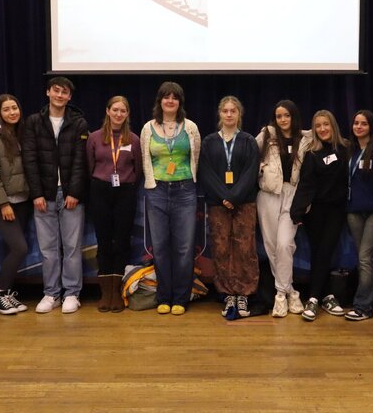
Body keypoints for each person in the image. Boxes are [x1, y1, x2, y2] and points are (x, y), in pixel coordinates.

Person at [22, 76, 89, 314]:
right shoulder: (33, 122)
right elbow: (29, 159)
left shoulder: (78, 123)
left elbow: (82, 162)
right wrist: (36, 193)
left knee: (71, 247)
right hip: (44, 197)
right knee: (48, 249)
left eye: (65, 92)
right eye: (56, 91)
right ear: (48, 93)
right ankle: (51, 293)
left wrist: (74, 192)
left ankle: (72, 293)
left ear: (69, 97)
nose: (60, 95)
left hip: (70, 196)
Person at [140, 81, 201, 316]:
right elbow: (145, 159)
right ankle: (164, 296)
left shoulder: (190, 127)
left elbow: (196, 156)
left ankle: (181, 298)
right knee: (161, 247)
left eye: (175, 97)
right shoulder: (148, 128)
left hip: (185, 191)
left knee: (184, 248)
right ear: (160, 101)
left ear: (180, 102)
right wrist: (152, 184)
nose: (170, 101)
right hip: (156, 191)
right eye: (166, 97)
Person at [198, 96, 260, 318]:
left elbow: (251, 172)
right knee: (221, 248)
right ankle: (227, 294)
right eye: (225, 111)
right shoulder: (209, 142)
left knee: (245, 248)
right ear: (220, 114)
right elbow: (205, 172)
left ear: (239, 114)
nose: (229, 114)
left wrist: (234, 196)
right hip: (218, 204)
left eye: (233, 111)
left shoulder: (248, 141)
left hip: (244, 203)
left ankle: (243, 294)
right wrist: (224, 196)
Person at [290, 110, 349, 322]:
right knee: (318, 252)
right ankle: (324, 296)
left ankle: (314, 297)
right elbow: (305, 185)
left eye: (326, 125)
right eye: (318, 126)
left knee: (325, 251)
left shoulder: (346, 149)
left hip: (337, 211)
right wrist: (297, 211)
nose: (322, 129)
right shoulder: (312, 154)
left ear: (333, 126)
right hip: (314, 213)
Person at [255, 100, 312, 318]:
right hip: (269, 195)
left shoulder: (306, 139)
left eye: (286, 115)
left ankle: (280, 293)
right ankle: (289, 293)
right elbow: (250, 154)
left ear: (294, 116)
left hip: (293, 196)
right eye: (279, 116)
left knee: (285, 244)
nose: (283, 120)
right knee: (271, 247)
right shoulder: (266, 136)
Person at [86, 96, 141, 313]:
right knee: (104, 241)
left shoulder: (133, 139)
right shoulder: (94, 138)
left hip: (125, 192)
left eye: (123, 111)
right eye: (115, 110)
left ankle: (117, 292)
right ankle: (105, 293)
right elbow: (90, 165)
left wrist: (127, 184)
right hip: (100, 191)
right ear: (108, 111)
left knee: (121, 241)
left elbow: (139, 169)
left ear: (127, 114)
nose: (119, 114)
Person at [0, 94, 31, 315]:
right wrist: (2, 204)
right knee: (20, 248)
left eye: (15, 108)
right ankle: (0, 294)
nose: (12, 112)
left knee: (13, 249)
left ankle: (8, 293)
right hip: (3, 203)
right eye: (7, 109)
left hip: (22, 200)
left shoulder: (20, 133)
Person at [344, 110, 373, 321]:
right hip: (353, 211)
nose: (359, 127)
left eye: (363, 123)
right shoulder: (349, 150)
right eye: (356, 123)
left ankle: (363, 307)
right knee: (364, 258)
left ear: (371, 126)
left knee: (364, 257)